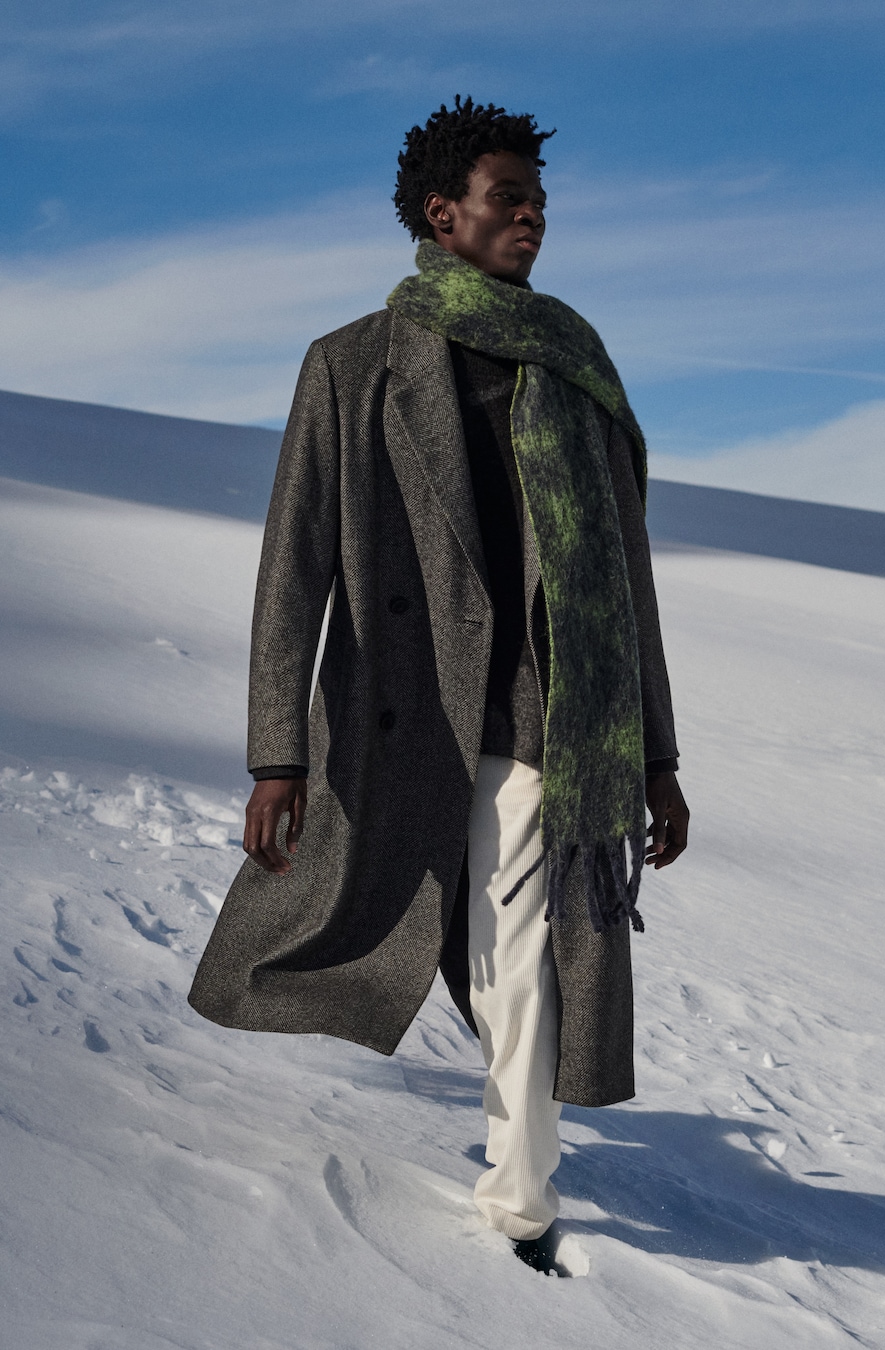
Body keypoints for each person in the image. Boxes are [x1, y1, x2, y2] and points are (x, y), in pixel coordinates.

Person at [188, 97, 688, 1277]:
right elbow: (294, 562)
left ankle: (523, 1199)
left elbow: (630, 576)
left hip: (548, 720)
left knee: (520, 952)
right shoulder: (354, 366)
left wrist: (657, 756)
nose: (532, 217)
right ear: (441, 213)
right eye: (509, 198)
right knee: (462, 948)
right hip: (402, 709)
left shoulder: (577, 368)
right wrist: (277, 755)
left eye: (540, 202)